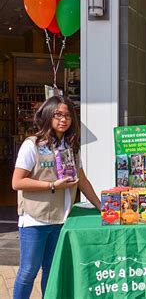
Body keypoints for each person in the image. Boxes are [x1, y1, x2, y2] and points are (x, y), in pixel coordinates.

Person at [12, 95, 101, 299]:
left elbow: (82, 181)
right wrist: (52, 185)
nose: (64, 119)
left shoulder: (71, 146)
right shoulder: (32, 145)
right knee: (28, 271)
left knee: (51, 271)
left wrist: (102, 207)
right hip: (35, 219)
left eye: (68, 115)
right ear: (47, 116)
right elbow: (17, 182)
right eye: (58, 114)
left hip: (62, 219)